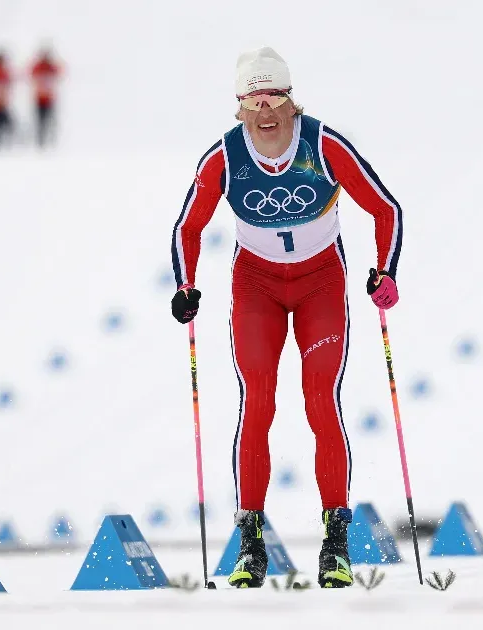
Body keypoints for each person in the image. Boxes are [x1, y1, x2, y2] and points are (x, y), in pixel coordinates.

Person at [169, 47, 402, 589]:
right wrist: (186, 286)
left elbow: (385, 208)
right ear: (239, 107)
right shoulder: (224, 158)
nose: (266, 111)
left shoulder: (322, 144)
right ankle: (250, 542)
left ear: (292, 100)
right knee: (258, 402)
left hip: (321, 282)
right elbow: (188, 226)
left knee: (321, 400)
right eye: (253, 100)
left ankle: (335, 540)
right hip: (257, 286)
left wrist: (384, 272)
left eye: (275, 97)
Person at [28, 46, 61, 148]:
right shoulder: (38, 67)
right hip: (39, 99)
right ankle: (40, 141)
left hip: (50, 99)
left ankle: (51, 141)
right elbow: (31, 72)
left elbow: (60, 71)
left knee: (51, 120)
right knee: (40, 121)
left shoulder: (51, 67)